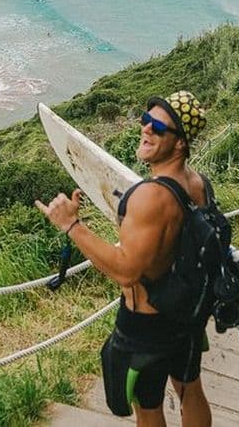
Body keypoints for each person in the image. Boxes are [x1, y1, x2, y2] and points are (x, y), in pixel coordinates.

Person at [35, 91, 211, 427]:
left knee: (148, 408)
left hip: (148, 324)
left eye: (157, 126)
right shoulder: (198, 183)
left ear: (179, 144)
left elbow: (127, 270)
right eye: (146, 120)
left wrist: (71, 225)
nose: (145, 128)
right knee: (190, 390)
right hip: (186, 312)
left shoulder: (151, 197)